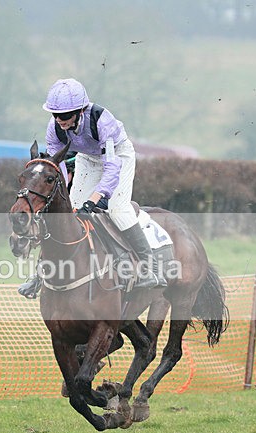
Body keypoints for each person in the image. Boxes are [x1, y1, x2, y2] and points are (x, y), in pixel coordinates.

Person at [18, 78, 164, 299]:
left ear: (80, 111)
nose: (59, 120)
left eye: (65, 116)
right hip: (86, 158)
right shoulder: (54, 128)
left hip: (118, 157)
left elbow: (112, 167)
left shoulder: (102, 122)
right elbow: (57, 167)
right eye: (55, 115)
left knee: (117, 210)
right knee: (69, 214)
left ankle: (151, 268)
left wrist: (95, 198)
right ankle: (40, 275)